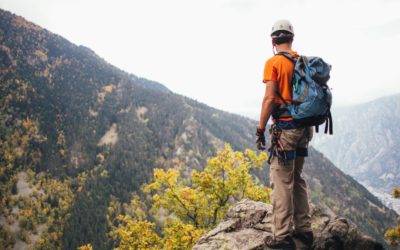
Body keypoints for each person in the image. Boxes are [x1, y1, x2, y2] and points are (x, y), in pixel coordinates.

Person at [256, 20, 314, 250]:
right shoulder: (302, 61)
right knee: (297, 178)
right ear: (292, 38)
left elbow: (270, 98)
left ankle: (281, 238)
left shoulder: (274, 63)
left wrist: (260, 128)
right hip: (304, 128)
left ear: (273, 41)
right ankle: (304, 230)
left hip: (285, 131)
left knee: (281, 182)